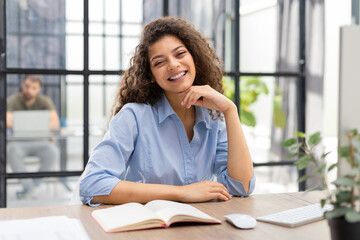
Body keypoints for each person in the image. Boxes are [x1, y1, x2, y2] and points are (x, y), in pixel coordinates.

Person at [80, 17, 255, 206]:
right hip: (148, 227)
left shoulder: (213, 119)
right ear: (152, 76)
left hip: (200, 226)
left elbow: (241, 187)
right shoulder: (134, 117)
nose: (173, 65)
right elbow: (92, 184)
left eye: (180, 54)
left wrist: (230, 110)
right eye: (159, 62)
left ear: (194, 58)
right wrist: (181, 193)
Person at [6, 74, 60, 199]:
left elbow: (55, 123)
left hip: (40, 141)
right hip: (18, 142)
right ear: (22, 85)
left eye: (34, 88)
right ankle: (29, 189)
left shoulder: (45, 101)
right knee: (11, 151)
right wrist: (38, 123)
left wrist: (23, 123)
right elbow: (7, 121)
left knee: (52, 152)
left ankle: (31, 188)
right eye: (27, 86)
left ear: (39, 89)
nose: (29, 91)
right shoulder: (12, 100)